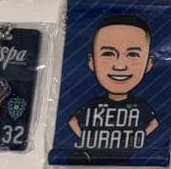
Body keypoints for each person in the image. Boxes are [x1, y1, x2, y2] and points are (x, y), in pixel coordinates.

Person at [68, 14, 159, 160]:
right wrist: (87, 141)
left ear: (149, 63)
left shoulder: (139, 104)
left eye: (133, 54)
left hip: (128, 163)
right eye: (108, 53)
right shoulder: (95, 104)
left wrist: (137, 138)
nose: (120, 66)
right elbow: (72, 121)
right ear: (91, 61)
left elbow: (154, 123)